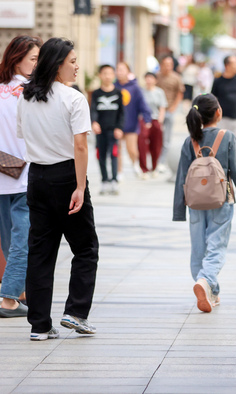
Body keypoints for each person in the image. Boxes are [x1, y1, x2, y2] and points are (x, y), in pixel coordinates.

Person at [18, 38, 99, 340]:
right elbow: (80, 145)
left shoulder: (25, 97)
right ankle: (76, 313)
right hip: (66, 175)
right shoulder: (73, 99)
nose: (78, 66)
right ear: (57, 64)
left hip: (36, 176)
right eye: (73, 61)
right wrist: (80, 185)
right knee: (86, 248)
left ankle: (39, 326)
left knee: (40, 253)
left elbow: (22, 136)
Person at [173, 94, 236, 313]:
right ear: (218, 112)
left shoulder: (190, 141)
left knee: (199, 248)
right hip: (221, 201)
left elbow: (182, 178)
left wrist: (179, 210)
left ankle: (211, 290)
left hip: (195, 203)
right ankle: (205, 280)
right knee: (216, 246)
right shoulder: (227, 137)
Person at [0, 35, 42, 318]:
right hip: (25, 174)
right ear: (18, 59)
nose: (38, 64)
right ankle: (9, 299)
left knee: (8, 238)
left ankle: (21, 293)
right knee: (24, 240)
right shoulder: (32, 91)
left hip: (1, 174)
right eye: (34, 59)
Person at [90, 64, 125, 194]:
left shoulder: (118, 93)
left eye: (110, 73)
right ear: (100, 75)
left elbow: (122, 112)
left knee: (114, 155)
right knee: (101, 155)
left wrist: (119, 128)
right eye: (104, 73)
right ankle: (104, 180)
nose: (107, 76)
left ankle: (114, 181)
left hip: (114, 131)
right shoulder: (96, 93)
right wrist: (94, 122)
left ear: (113, 75)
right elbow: (93, 110)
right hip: (100, 131)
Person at [114, 62, 152, 180]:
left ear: (128, 71)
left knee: (132, 149)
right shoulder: (114, 87)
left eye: (122, 70)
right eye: (118, 70)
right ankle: (119, 172)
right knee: (117, 149)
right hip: (117, 124)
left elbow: (142, 104)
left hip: (131, 123)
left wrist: (147, 118)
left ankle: (135, 164)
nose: (119, 72)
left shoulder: (134, 87)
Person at [156, 56, 184, 174]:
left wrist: (174, 107)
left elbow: (180, 92)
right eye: (165, 64)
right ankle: (155, 160)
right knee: (156, 137)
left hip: (169, 110)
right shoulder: (156, 77)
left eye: (170, 64)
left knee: (166, 138)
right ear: (161, 65)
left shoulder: (176, 77)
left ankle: (162, 162)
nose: (167, 67)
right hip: (156, 111)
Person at [211, 55, 236, 140]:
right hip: (222, 119)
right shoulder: (218, 81)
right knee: (221, 145)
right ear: (227, 65)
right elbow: (213, 99)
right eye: (235, 63)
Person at [139, 72, 166, 178]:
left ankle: (154, 167)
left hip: (155, 119)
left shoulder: (159, 92)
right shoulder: (141, 92)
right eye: (147, 78)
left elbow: (162, 107)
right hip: (144, 120)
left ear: (155, 80)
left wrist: (160, 120)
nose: (149, 80)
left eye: (151, 78)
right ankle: (144, 169)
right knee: (142, 144)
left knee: (156, 145)